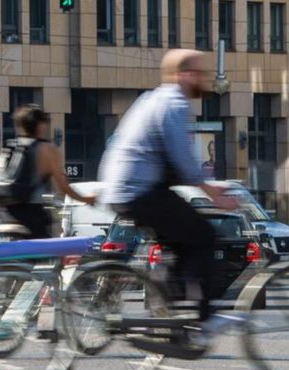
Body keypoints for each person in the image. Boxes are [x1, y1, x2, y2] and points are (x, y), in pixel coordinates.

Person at [97, 49, 239, 349]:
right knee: (204, 237)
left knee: (180, 244)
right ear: (185, 75)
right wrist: (214, 194)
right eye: (201, 72)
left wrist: (208, 187)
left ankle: (170, 318)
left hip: (125, 189)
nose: (205, 78)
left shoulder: (152, 98)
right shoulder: (174, 103)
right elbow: (184, 162)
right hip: (139, 191)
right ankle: (202, 317)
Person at [0, 104, 96, 239]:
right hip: (31, 216)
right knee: (49, 252)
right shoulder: (46, 149)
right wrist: (86, 199)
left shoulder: (9, 147)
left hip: (5, 214)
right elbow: (63, 188)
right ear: (41, 125)